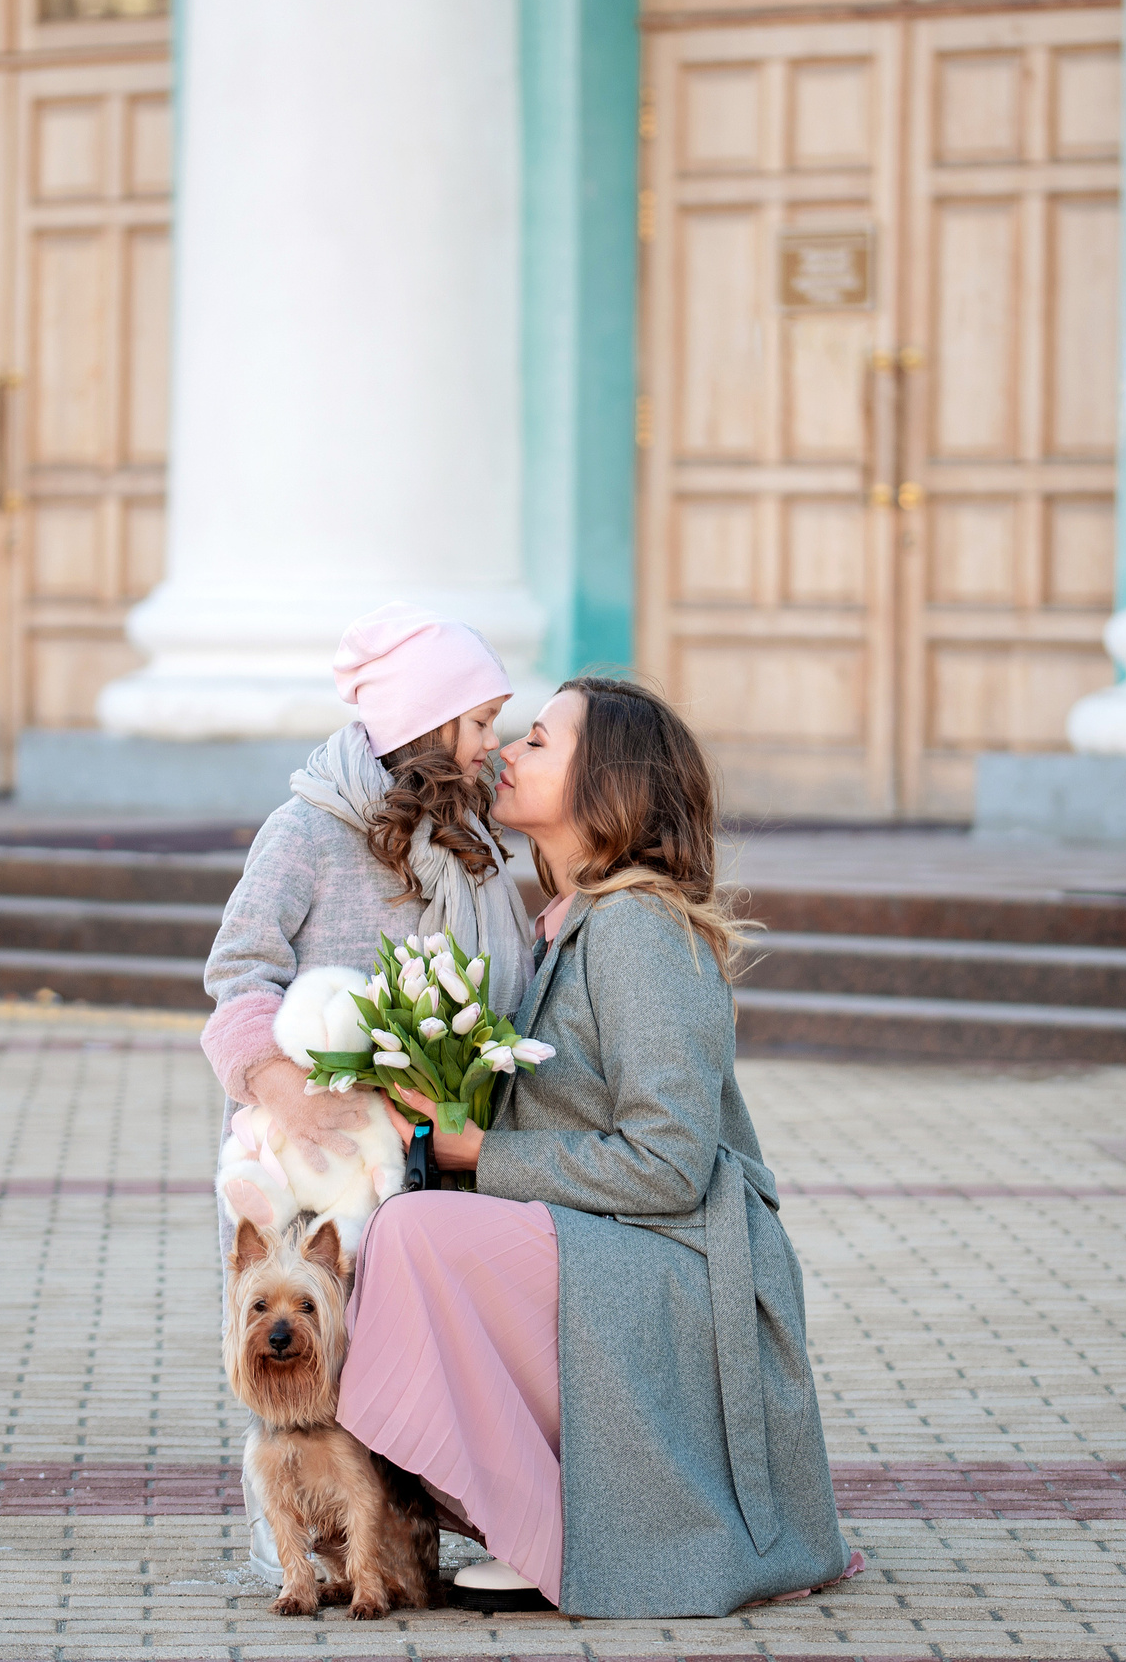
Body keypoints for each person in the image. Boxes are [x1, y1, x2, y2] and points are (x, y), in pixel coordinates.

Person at [338, 676, 856, 1618]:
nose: (504, 753)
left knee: (419, 1237)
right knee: (413, 1229)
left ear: (605, 783)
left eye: (537, 741)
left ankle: (551, 1534)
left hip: (685, 1267)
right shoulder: (567, 923)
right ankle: (538, 1521)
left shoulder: (641, 929)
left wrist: (478, 1156)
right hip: (622, 1251)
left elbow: (667, 1162)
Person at [199, 601, 535, 1570]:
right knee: (306, 1339)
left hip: (423, 1149)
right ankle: (300, 1532)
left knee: (408, 1337)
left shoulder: (474, 843)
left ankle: (407, 1532)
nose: (493, 743)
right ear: (426, 729)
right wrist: (280, 1085)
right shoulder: (305, 829)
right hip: (308, 1156)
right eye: (479, 722)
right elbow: (236, 970)